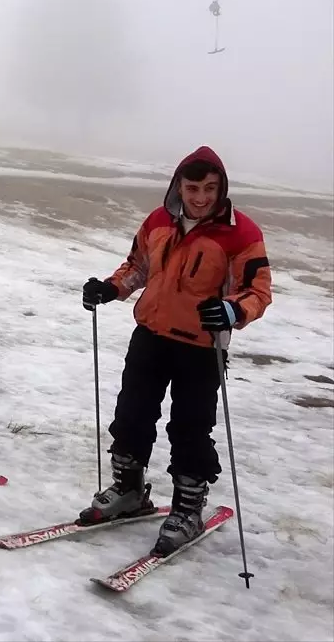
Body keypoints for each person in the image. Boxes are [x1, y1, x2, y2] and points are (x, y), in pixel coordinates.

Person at [79, 145, 272, 556]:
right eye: (192, 188)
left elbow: (257, 291)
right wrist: (111, 289)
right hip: (150, 334)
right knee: (130, 415)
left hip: (201, 348)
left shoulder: (242, 234)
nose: (201, 197)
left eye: (210, 188)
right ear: (178, 186)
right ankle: (129, 489)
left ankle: (188, 509)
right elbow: (137, 268)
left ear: (222, 188)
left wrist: (233, 309)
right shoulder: (158, 221)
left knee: (189, 428)